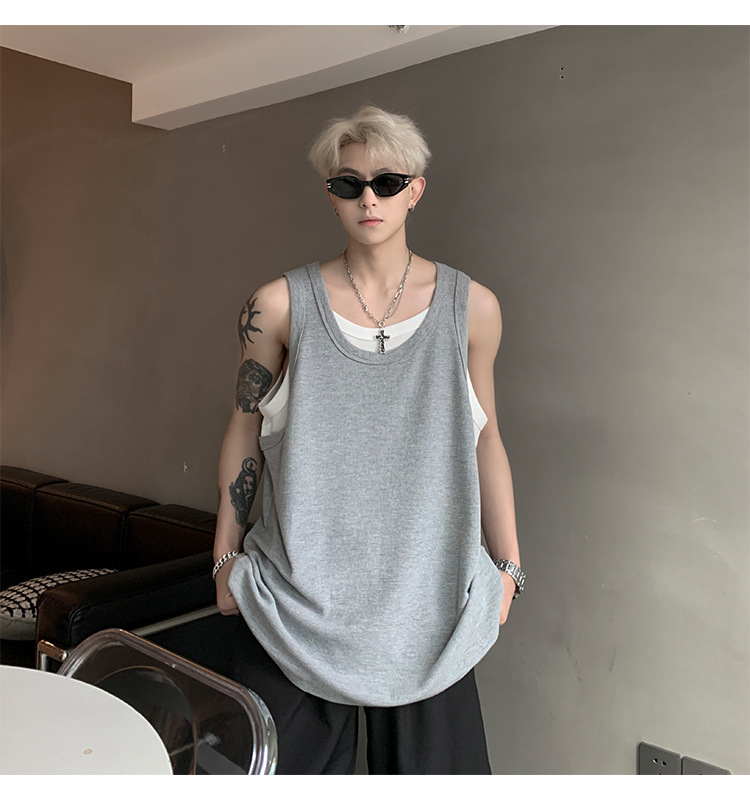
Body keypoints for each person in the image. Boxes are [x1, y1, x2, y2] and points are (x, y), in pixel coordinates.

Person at [212, 105, 523, 775]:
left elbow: (486, 438)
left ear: (416, 190)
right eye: (349, 184)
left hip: (432, 609)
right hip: (293, 605)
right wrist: (223, 558)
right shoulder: (276, 307)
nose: (369, 199)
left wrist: (509, 570)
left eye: (387, 182)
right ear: (331, 195)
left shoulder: (473, 308)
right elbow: (244, 428)